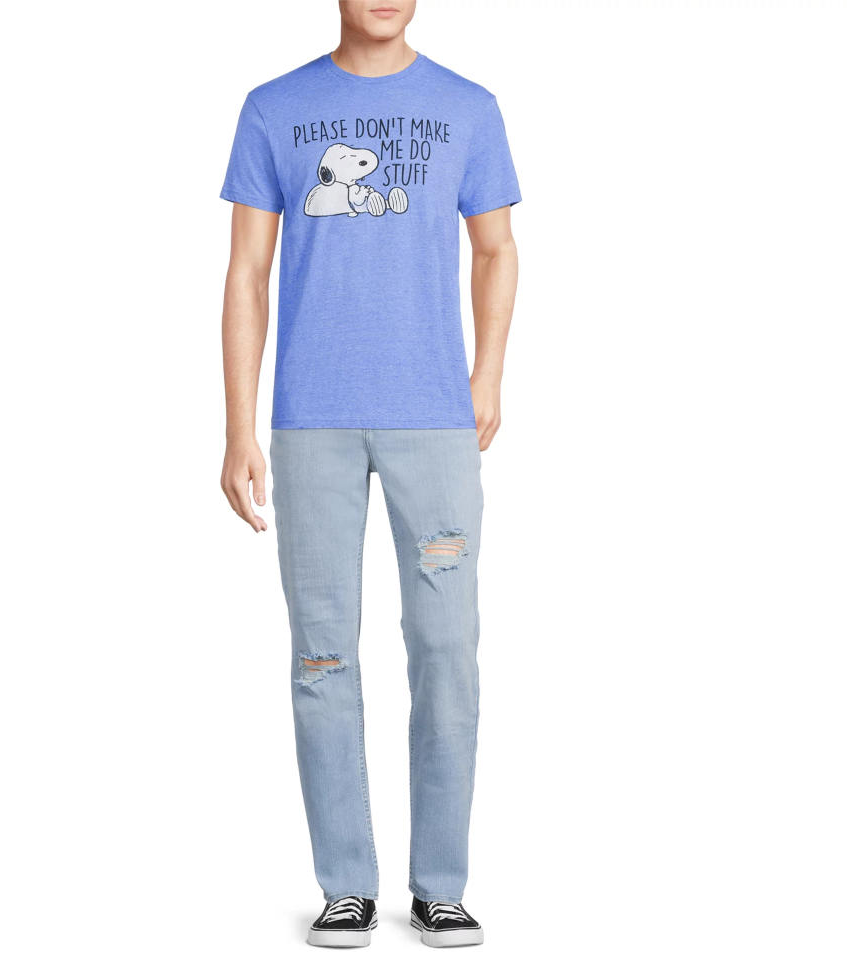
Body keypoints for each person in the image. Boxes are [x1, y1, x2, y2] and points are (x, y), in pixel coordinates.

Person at [220, 0, 519, 947]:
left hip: (435, 420)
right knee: (322, 655)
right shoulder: (273, 108)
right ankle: (346, 884)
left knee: (446, 650)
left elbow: (497, 248)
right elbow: (247, 274)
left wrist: (487, 375)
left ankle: (440, 886)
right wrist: (237, 427)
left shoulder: (469, 108)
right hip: (310, 422)